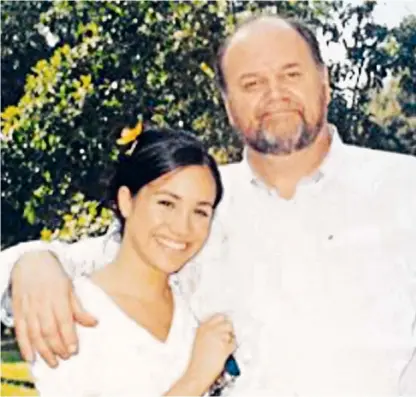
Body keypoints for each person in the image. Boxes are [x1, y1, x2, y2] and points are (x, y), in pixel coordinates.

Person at [1, 14, 416, 395]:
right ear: (227, 103)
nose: (275, 94)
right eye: (252, 83)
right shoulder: (200, 206)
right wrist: (31, 262)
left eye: (291, 74)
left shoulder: (404, 188)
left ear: (325, 82)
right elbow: (104, 257)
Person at [28, 127, 238, 396]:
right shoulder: (71, 313)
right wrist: (195, 379)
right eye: (166, 204)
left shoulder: (193, 302)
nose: (182, 227)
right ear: (126, 201)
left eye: (200, 211)